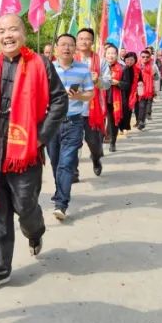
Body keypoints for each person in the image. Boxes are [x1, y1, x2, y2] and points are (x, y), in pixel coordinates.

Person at [0, 14, 67, 291]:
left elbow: (60, 100)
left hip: (26, 153)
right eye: (1, 30)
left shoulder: (40, 64)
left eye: (12, 29)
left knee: (25, 206)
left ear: (23, 33)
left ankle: (35, 232)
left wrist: (40, 137)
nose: (7, 35)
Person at [47, 34, 93, 221]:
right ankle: (60, 191)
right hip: (51, 122)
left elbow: (89, 94)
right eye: (63, 44)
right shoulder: (47, 68)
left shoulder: (83, 69)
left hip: (73, 122)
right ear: (56, 47)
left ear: (75, 48)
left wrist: (77, 96)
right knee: (55, 162)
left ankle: (61, 204)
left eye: (70, 45)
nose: (66, 48)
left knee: (66, 164)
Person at [74, 28, 107, 178]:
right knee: (72, 143)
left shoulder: (101, 61)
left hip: (92, 111)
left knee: (94, 143)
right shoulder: (70, 60)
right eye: (80, 38)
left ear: (92, 42)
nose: (83, 41)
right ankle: (73, 171)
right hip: (73, 109)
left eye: (87, 39)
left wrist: (97, 80)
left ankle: (96, 158)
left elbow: (108, 82)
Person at [102, 43, 122, 151]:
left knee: (113, 121)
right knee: (99, 120)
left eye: (113, 53)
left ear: (117, 55)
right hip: (101, 98)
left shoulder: (122, 68)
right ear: (105, 55)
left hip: (115, 99)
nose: (111, 55)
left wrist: (118, 83)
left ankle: (113, 142)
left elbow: (127, 85)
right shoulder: (99, 66)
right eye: (108, 53)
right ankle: (98, 144)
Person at [134, 50, 156, 130]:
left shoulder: (153, 66)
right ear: (140, 57)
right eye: (143, 57)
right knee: (137, 107)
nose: (145, 58)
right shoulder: (136, 66)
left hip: (147, 90)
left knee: (142, 106)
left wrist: (155, 90)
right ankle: (138, 120)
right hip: (136, 89)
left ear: (150, 58)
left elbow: (156, 78)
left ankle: (141, 121)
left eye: (147, 57)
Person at [117, 51, 138, 134]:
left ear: (135, 60)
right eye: (127, 59)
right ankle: (121, 127)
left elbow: (140, 80)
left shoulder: (136, 70)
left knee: (128, 111)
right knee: (122, 110)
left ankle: (125, 126)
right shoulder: (122, 68)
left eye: (132, 60)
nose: (129, 61)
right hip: (122, 92)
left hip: (131, 93)